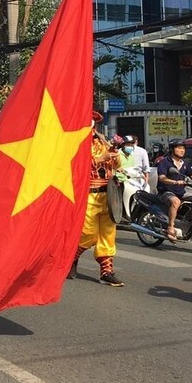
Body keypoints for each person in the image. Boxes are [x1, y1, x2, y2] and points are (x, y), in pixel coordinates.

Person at [68, 112, 124, 287]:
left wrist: (114, 153)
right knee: (88, 233)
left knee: (108, 235)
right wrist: (100, 158)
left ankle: (106, 272)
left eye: (95, 125)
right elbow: (75, 165)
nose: (94, 128)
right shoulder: (76, 143)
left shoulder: (103, 142)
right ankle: (71, 258)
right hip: (87, 193)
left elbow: (118, 165)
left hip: (108, 193)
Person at [157, 139, 192, 241]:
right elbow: (162, 178)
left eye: (183, 148)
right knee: (176, 201)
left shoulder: (185, 164)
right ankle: (170, 226)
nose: (182, 150)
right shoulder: (164, 162)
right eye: (179, 148)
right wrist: (175, 182)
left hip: (180, 192)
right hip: (165, 191)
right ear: (172, 149)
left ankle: (187, 224)